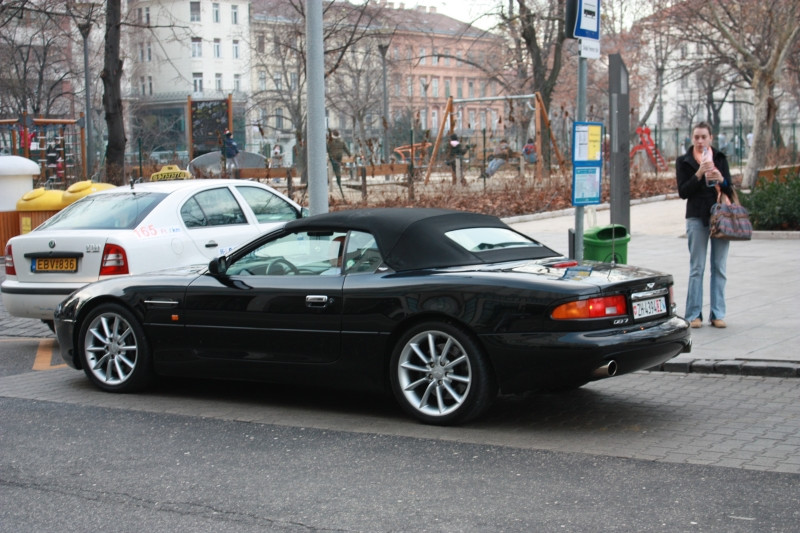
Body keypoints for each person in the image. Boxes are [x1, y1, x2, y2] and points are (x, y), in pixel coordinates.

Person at [676, 121, 735, 329]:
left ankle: (718, 313)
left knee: (719, 267)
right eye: (696, 137)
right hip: (696, 217)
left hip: (720, 218)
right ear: (692, 139)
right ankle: (694, 314)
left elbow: (730, 188)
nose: (700, 141)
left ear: (710, 138)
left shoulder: (719, 158)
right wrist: (699, 173)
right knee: (697, 268)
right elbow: (683, 192)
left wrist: (722, 179)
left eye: (704, 137)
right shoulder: (684, 162)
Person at [327, 130, 350, 197]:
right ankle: (339, 185)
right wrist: (349, 155)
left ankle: (331, 189)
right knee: (337, 174)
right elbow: (346, 149)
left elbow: (327, 149)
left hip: (331, 160)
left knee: (330, 174)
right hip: (338, 160)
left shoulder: (330, 142)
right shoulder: (341, 142)